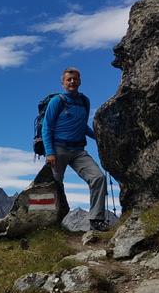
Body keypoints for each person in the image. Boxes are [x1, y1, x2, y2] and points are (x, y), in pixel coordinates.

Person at [42, 67, 109, 231]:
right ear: (63, 83)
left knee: (98, 177)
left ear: (80, 81)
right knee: (54, 186)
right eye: (69, 79)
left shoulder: (84, 101)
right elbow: (46, 127)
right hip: (58, 149)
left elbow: (82, 126)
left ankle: (96, 220)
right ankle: (50, 224)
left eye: (75, 79)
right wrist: (50, 152)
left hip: (78, 150)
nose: (72, 82)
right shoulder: (57, 101)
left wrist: (98, 137)